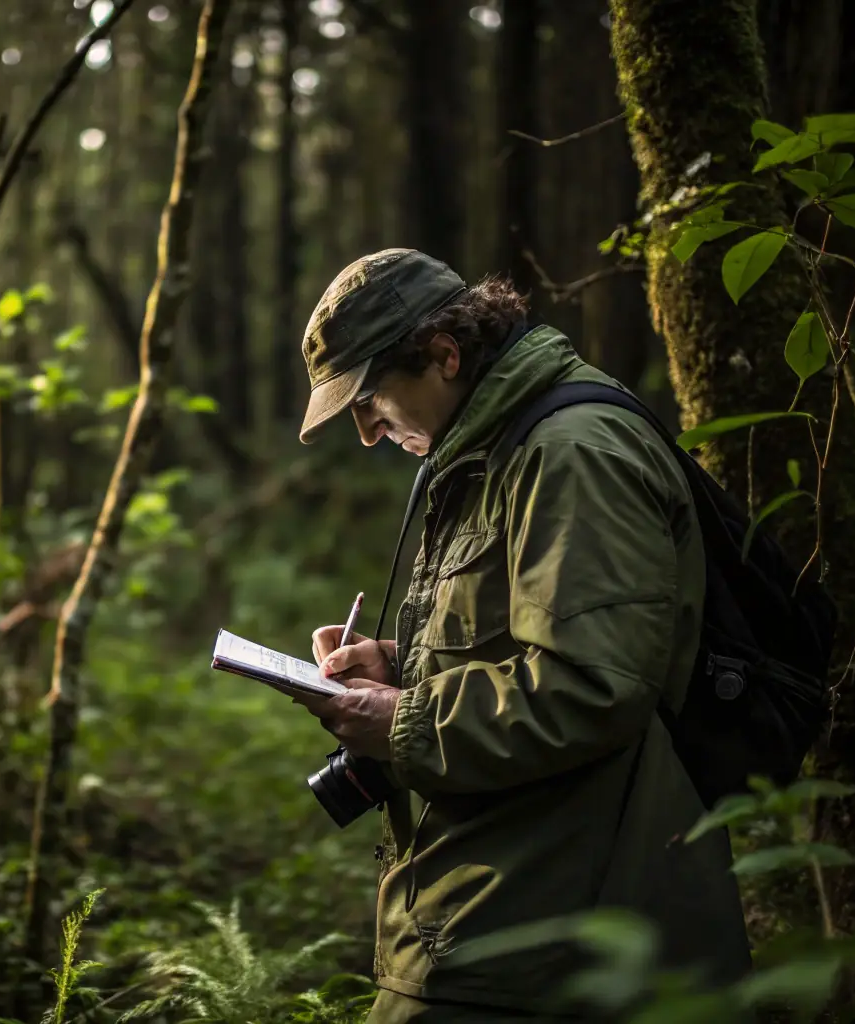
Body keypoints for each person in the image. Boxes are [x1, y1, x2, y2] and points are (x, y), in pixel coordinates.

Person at [293, 249, 752, 1022]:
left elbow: (588, 686)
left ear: (444, 354)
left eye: (368, 399)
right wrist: (400, 665)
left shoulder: (570, 455)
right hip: (500, 908)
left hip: (560, 934)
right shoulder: (493, 452)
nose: (367, 431)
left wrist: (398, 720)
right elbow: (533, 638)